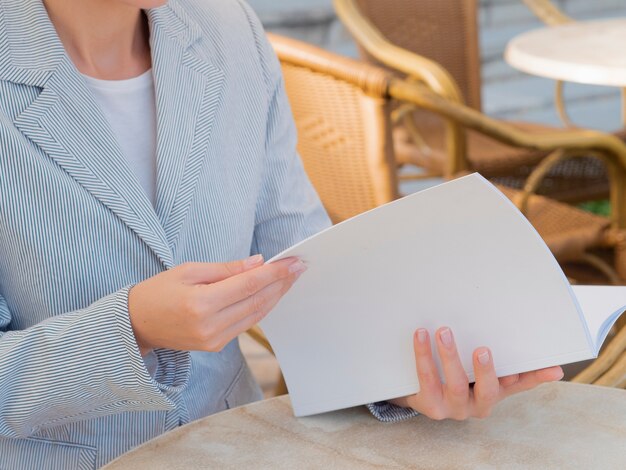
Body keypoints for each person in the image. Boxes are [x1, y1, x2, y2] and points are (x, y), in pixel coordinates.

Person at [0, 0, 564, 467]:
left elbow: (307, 276)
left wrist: (398, 376)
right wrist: (132, 328)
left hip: (234, 448)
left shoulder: (228, 32)